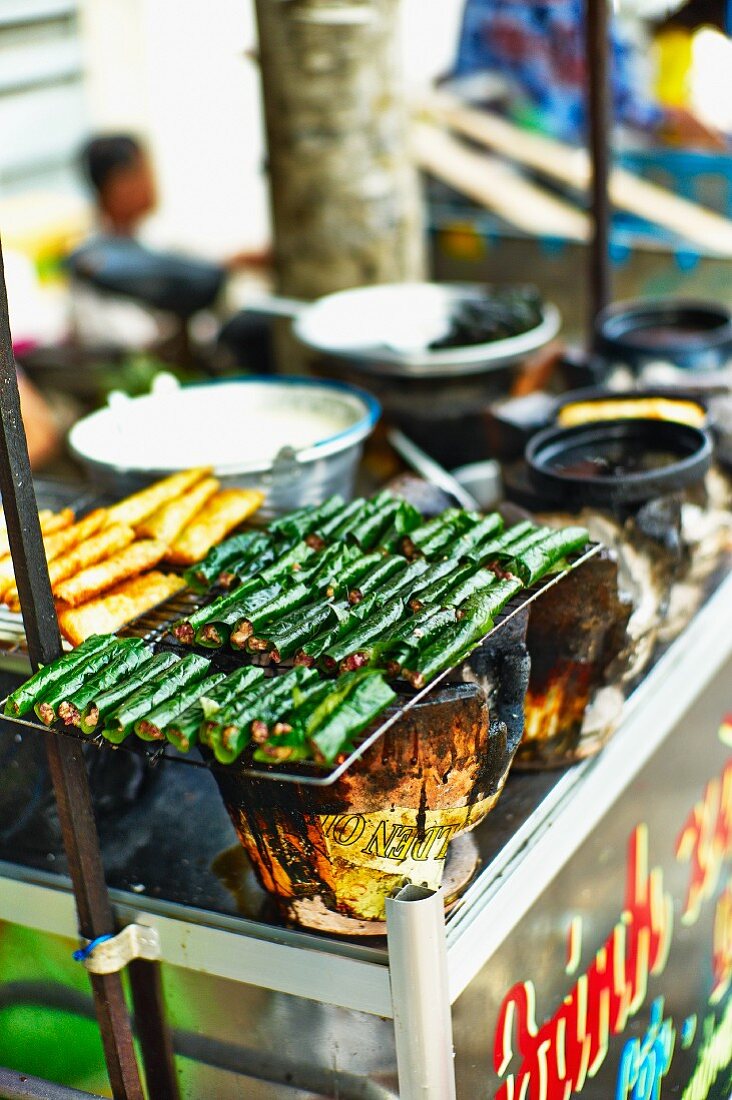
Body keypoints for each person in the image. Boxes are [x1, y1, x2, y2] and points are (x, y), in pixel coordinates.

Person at [69, 134, 273, 368]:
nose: (152, 182)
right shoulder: (94, 263)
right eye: (143, 172)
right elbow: (130, 340)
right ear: (118, 184)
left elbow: (211, 264)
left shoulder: (156, 238)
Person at [451, 0, 725, 147]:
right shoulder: (507, 9)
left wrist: (667, 120)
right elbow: (553, 107)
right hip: (506, 159)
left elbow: (615, 95)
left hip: (564, 159)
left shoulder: (585, 9)